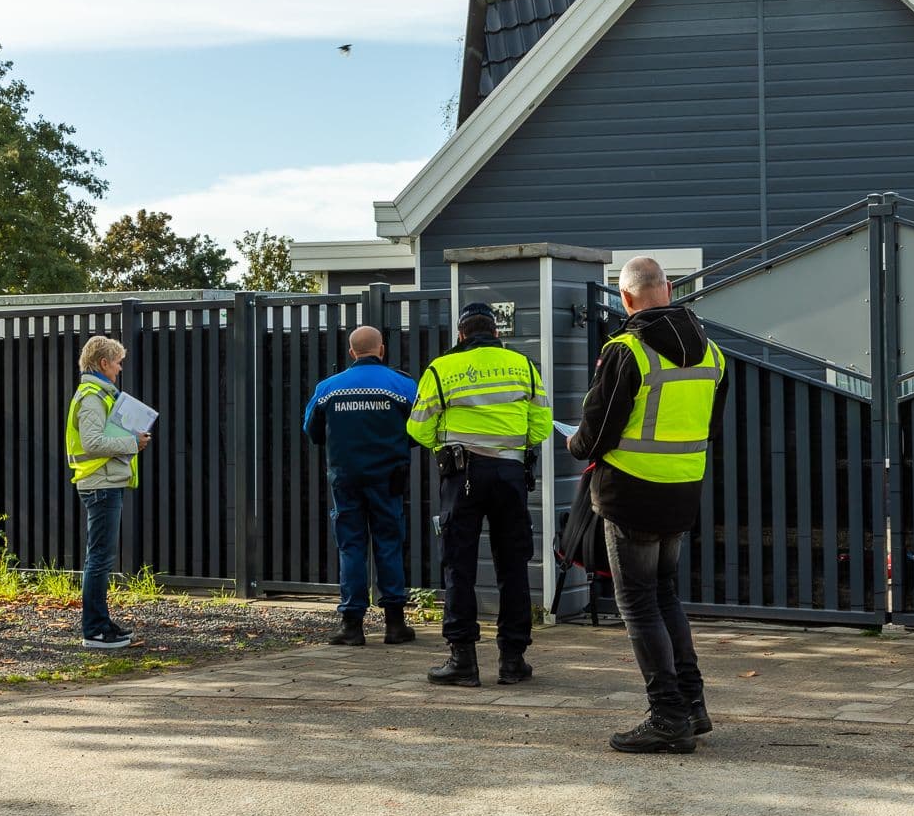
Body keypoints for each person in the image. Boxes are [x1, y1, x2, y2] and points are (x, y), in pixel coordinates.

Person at [568, 257, 727, 754]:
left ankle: (668, 717)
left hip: (630, 493)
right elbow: (711, 427)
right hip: (682, 490)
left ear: (626, 298)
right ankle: (692, 706)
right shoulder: (713, 354)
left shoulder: (626, 350)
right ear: (669, 288)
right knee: (665, 596)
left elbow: (597, 431)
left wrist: (574, 443)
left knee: (638, 604)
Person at [407, 301, 552, 687]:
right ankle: (512, 661)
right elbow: (541, 426)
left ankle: (463, 661)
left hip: (462, 476)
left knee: (459, 565)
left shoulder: (441, 368)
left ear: (461, 334)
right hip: (510, 475)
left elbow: (418, 428)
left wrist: (448, 443)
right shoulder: (524, 366)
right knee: (514, 565)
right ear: (496, 331)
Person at [304, 325, 420, 646]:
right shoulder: (403, 386)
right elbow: (421, 429)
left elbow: (312, 431)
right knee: (389, 543)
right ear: (381, 350)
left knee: (351, 546)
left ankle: (352, 625)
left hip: (346, 478)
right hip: (389, 478)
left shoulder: (328, 388)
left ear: (351, 352)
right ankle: (395, 624)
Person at [66, 335, 151, 650]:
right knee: (99, 559)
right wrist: (132, 443)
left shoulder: (98, 394)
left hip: (103, 483)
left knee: (99, 557)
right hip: (100, 484)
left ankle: (100, 624)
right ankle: (95, 631)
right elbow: (93, 443)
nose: (119, 368)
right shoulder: (92, 397)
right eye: (117, 362)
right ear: (103, 363)